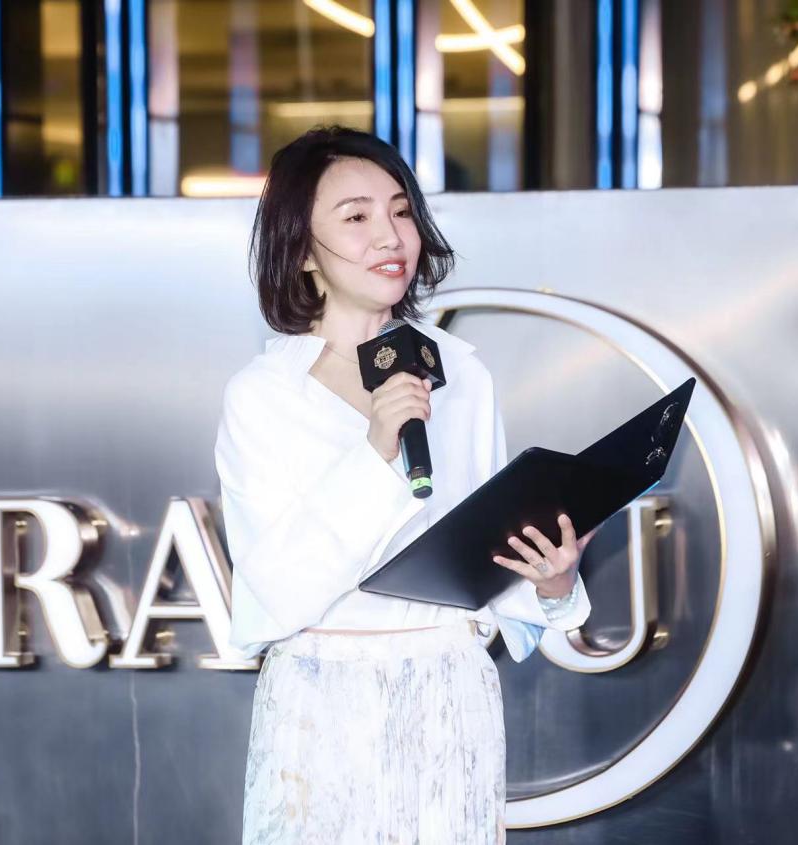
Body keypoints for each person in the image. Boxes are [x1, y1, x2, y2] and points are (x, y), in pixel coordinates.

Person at [214, 125, 593, 844]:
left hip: (450, 693)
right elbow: (271, 592)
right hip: (323, 706)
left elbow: (482, 555)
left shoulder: (461, 372)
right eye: (355, 217)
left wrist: (551, 581)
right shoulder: (265, 395)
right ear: (302, 249)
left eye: (400, 211)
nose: (389, 236)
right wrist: (376, 451)